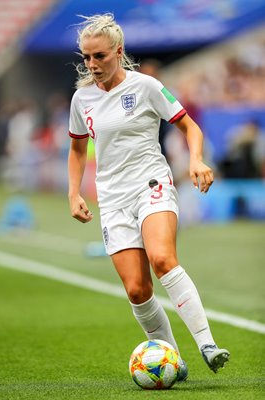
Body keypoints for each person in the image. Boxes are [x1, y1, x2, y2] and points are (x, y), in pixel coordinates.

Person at [68, 13, 230, 379]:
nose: (92, 64)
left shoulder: (147, 87)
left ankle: (207, 343)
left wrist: (197, 160)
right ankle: (172, 358)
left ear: (119, 51)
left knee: (162, 259)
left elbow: (189, 126)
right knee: (138, 289)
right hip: (112, 199)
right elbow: (77, 149)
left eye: (100, 56)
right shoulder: (82, 99)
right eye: (87, 58)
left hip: (151, 184)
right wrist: (73, 192)